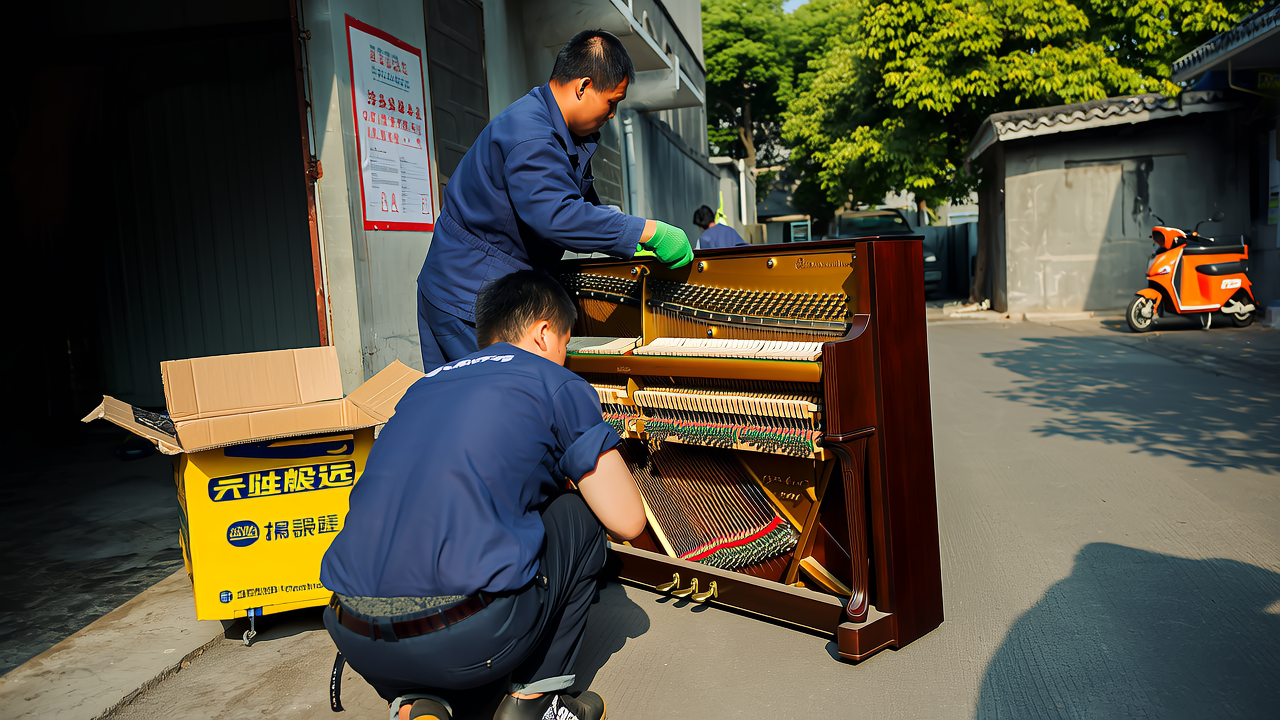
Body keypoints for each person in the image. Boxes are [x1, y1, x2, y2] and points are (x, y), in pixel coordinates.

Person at [322, 270, 646, 720]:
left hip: (354, 631)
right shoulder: (553, 381)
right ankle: (534, 703)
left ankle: (419, 704)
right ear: (544, 332)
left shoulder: (423, 386)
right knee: (583, 517)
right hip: (468, 635)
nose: (566, 357)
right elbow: (627, 521)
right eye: (567, 345)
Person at [417, 30, 693, 367]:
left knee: (457, 409)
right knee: (495, 408)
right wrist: (647, 231)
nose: (612, 115)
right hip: (468, 295)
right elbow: (558, 216)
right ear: (583, 86)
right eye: (612, 102)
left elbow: (580, 203)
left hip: (462, 285)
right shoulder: (530, 135)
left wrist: (623, 234)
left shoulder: (557, 128)